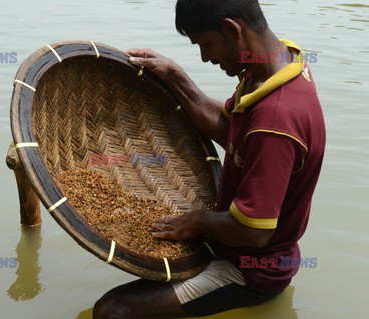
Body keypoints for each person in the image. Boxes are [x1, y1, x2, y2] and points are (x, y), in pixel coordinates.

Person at [93, 0, 326, 317]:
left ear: (232, 29)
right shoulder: (275, 65)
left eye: (206, 45)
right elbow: (230, 128)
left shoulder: (276, 120)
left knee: (112, 311)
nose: (205, 57)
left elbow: (254, 232)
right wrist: (176, 77)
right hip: (233, 245)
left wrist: (196, 220)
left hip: (249, 270)